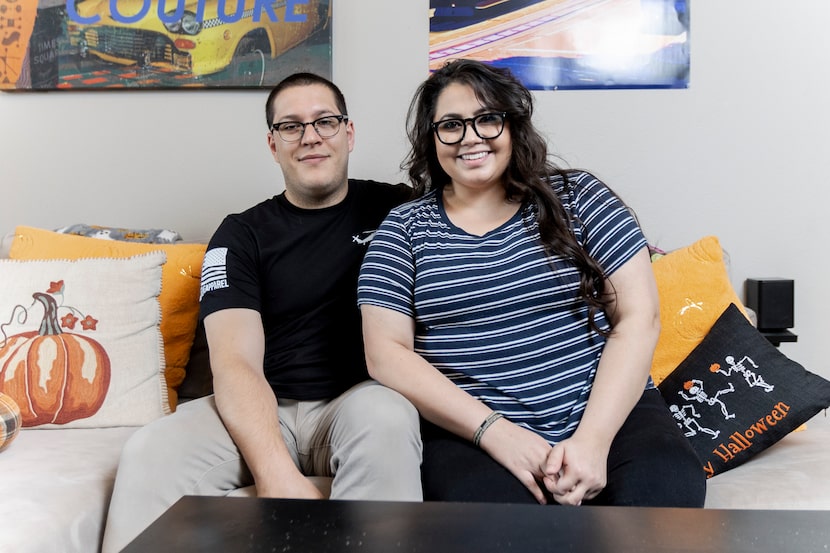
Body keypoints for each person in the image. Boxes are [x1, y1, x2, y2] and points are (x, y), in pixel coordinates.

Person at [357, 59, 705, 507]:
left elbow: (639, 317)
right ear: (431, 138)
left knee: (667, 501)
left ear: (512, 126)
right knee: (502, 534)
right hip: (473, 437)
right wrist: (495, 433)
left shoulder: (579, 198)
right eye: (451, 125)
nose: (471, 137)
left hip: (610, 417)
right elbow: (385, 354)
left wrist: (593, 442)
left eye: (487, 119)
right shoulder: (403, 229)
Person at [102, 73, 422, 553]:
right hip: (261, 405)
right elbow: (234, 363)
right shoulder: (239, 235)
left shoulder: (400, 209)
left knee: (388, 417)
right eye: (291, 126)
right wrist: (276, 475)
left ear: (349, 133)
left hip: (358, 400)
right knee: (150, 450)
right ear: (273, 145)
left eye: (325, 122)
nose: (310, 136)